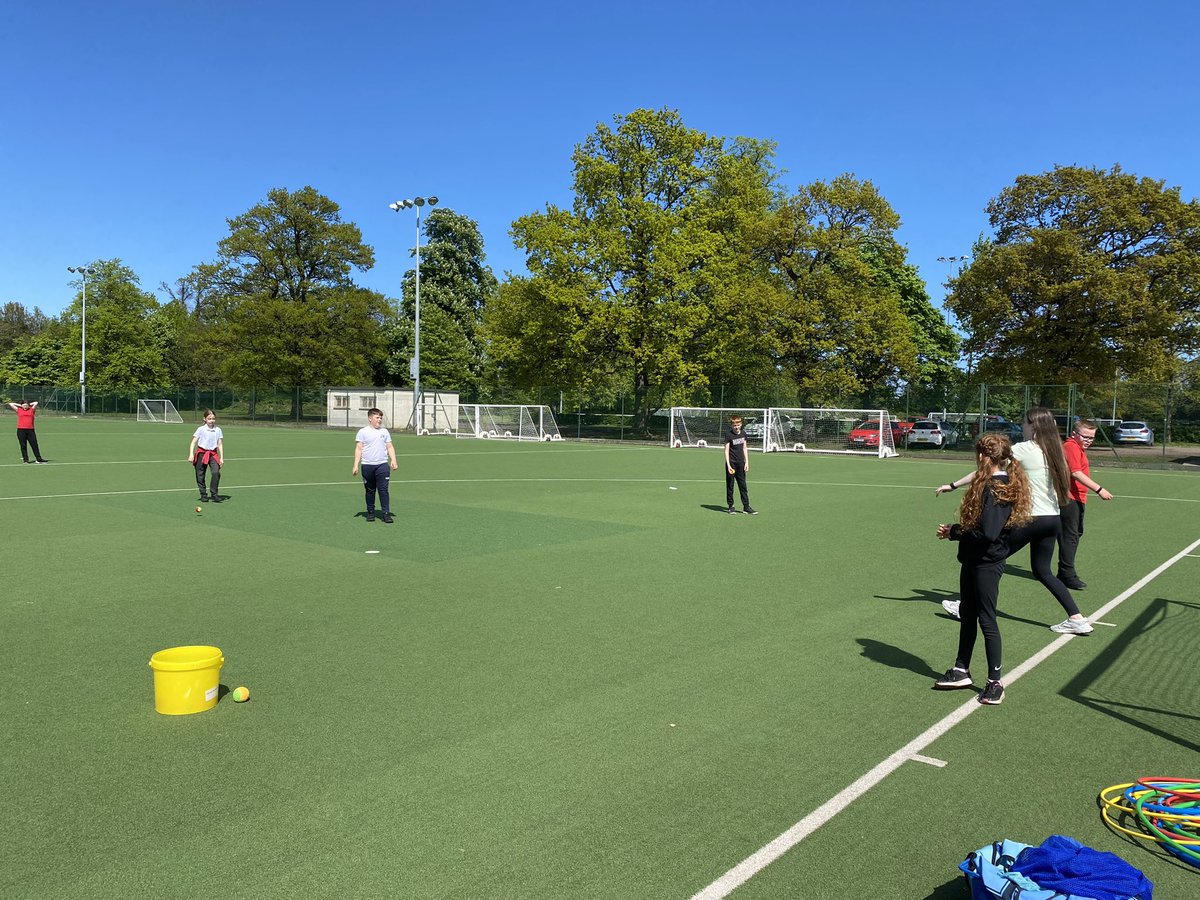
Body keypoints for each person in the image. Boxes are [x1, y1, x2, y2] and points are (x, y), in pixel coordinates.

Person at [936, 408, 1093, 635]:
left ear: (1033, 425)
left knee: (988, 556)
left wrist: (952, 485)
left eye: (1024, 423)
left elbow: (988, 469)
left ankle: (967, 607)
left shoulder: (1024, 449)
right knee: (1042, 570)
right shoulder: (1055, 450)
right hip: (1052, 519)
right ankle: (1077, 618)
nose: (1022, 426)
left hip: (1031, 518)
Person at [933, 432, 1032, 706]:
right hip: (973, 560)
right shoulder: (990, 483)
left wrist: (955, 532)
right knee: (968, 614)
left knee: (987, 620)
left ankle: (995, 682)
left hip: (987, 563)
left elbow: (988, 533)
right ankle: (961, 669)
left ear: (983, 456)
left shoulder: (997, 488)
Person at [1057, 418, 1113, 589]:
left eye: (1091, 437)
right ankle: (1066, 574)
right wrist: (1099, 489)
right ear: (1074, 434)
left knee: (1073, 535)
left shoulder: (1078, 447)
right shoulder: (1071, 446)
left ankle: (1062, 571)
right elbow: (1076, 473)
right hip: (1069, 498)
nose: (1088, 440)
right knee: (1070, 537)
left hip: (1077, 498)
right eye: (1085, 436)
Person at [352, 407, 398, 523]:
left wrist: (393, 460)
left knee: (383, 490)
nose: (379, 420)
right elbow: (359, 449)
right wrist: (356, 465)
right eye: (377, 417)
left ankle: (386, 513)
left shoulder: (384, 432)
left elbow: (390, 447)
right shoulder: (363, 432)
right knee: (370, 490)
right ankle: (370, 512)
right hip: (367, 465)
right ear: (370, 418)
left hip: (382, 465)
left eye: (380, 418)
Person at [188, 410, 225, 503]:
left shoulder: (218, 430)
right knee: (200, 474)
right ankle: (203, 494)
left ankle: (214, 494)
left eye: (213, 419)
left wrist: (221, 458)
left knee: (216, 473)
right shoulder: (201, 429)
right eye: (209, 419)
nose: (211, 420)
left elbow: (220, 444)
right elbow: (193, 442)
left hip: (213, 454)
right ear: (205, 419)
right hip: (202, 453)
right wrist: (191, 454)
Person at [723, 415, 757, 515]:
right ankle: (731, 506)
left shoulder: (743, 434)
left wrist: (747, 462)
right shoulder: (729, 435)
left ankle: (746, 507)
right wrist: (728, 465)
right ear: (731, 425)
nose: (736, 427)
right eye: (734, 425)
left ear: (741, 424)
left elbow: (744, 448)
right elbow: (726, 451)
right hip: (731, 464)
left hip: (741, 463)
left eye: (738, 425)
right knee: (730, 485)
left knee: (743, 486)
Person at [7, 400, 48, 464]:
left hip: (30, 430)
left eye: (26, 405)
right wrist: (21, 405)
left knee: (34, 445)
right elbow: (11, 404)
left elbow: (36, 403)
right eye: (24, 405)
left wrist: (28, 405)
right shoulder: (19, 410)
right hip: (21, 430)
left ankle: (38, 459)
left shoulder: (31, 410)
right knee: (23, 445)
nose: (25, 406)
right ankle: (25, 460)